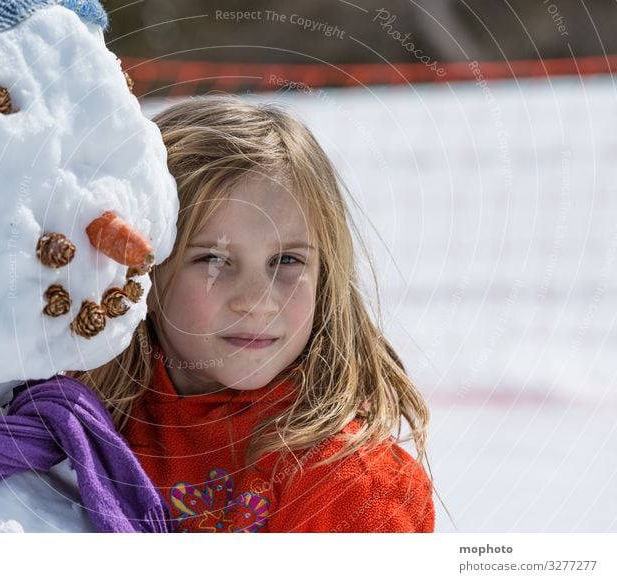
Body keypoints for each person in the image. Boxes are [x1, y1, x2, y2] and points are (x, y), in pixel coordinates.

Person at [72, 96, 434, 532]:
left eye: (286, 262)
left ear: (326, 275)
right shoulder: (76, 412)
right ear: (142, 274)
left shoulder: (347, 480)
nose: (258, 300)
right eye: (213, 260)